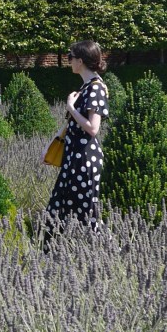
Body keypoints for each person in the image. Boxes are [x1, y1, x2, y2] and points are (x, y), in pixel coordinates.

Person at [43, 39, 110, 251]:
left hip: (84, 160)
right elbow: (72, 125)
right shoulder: (86, 87)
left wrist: (71, 107)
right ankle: (51, 255)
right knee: (59, 208)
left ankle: (109, 254)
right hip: (74, 157)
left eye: (70, 57)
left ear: (80, 61)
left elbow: (92, 128)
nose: (68, 61)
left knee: (86, 212)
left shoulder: (96, 88)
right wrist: (52, 144)